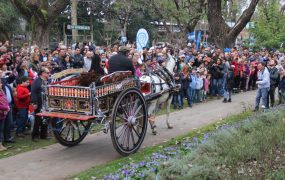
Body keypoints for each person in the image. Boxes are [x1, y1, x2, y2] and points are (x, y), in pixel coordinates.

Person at [31, 68, 50, 141]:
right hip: (39, 103)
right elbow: (33, 92)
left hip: (46, 103)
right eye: (47, 73)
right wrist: (34, 102)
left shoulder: (46, 81)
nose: (49, 74)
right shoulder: (37, 81)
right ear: (42, 73)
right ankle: (35, 136)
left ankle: (43, 135)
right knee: (38, 120)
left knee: (45, 119)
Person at [0, 78, 10, 151]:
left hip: (2, 114)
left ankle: (1, 145)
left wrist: (7, 107)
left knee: (1, 129)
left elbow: (5, 99)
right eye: (0, 83)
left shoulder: (1, 91)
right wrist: (5, 108)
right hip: (1, 112)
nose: (1, 84)